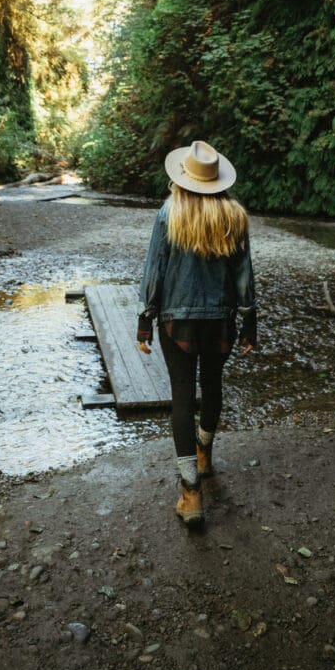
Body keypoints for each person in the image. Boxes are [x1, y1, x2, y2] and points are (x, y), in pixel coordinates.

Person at [136, 139, 256, 526]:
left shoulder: (170, 212)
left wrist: (145, 317)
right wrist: (249, 320)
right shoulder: (235, 216)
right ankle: (204, 453)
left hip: (177, 321)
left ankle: (191, 495)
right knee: (214, 384)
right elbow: (243, 275)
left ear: (184, 176)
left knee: (183, 399)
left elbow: (154, 268)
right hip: (220, 321)